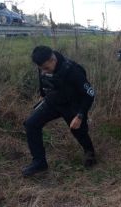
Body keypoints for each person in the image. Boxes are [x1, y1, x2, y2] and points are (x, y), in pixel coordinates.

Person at [22, 46, 97, 176]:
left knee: (79, 131)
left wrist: (80, 115)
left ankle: (89, 152)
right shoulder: (43, 66)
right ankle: (39, 162)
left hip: (72, 105)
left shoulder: (73, 70)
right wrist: (42, 95)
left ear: (53, 59)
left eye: (46, 68)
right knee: (31, 124)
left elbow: (89, 94)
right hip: (52, 102)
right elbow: (43, 81)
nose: (43, 72)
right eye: (41, 69)